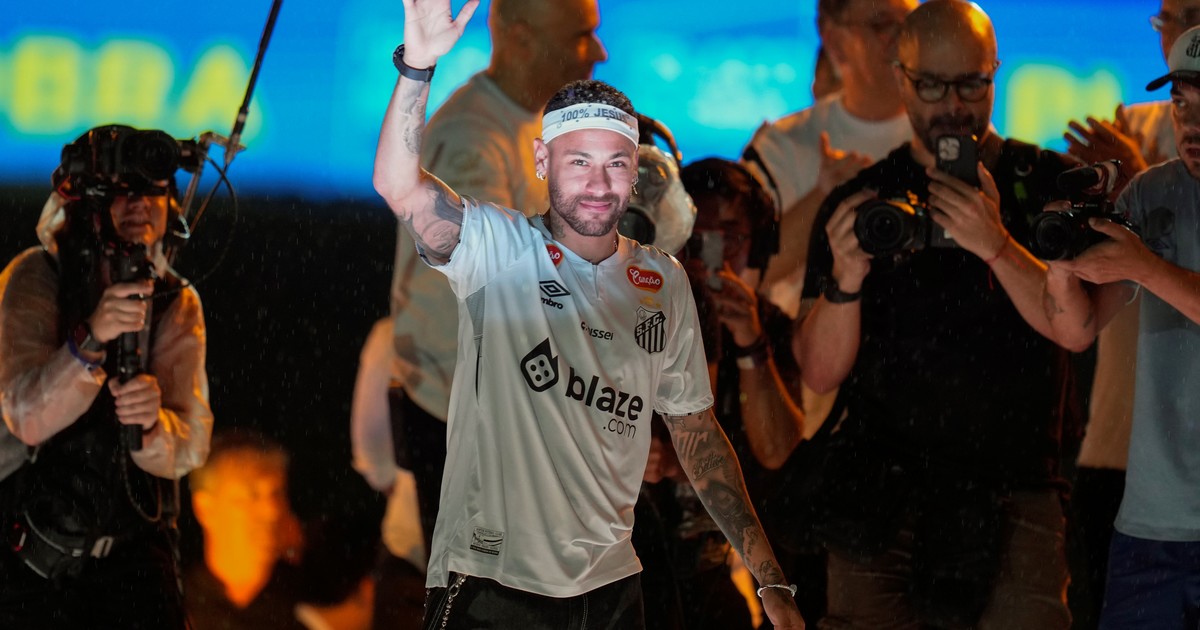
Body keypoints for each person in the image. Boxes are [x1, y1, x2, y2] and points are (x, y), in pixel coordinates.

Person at [372, 1, 805, 627]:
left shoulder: (664, 281)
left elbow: (698, 436)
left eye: (616, 163)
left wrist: (770, 580)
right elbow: (399, 188)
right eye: (579, 162)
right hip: (494, 580)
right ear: (542, 163)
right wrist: (417, 68)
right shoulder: (501, 246)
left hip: (608, 590)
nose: (599, 184)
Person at [794, 1, 1081, 627]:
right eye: (931, 85)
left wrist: (997, 244)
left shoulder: (1046, 186)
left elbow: (1076, 327)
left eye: (971, 84)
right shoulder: (863, 201)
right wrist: (847, 279)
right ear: (900, 78)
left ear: (995, 74)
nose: (953, 105)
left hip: (1015, 486)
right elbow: (817, 373)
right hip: (881, 494)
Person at [385, 0, 608, 570]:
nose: (599, 53)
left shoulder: (528, 122)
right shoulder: (473, 138)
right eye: (582, 35)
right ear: (521, 37)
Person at [0, 124, 212, 628]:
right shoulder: (36, 276)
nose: (138, 206)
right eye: (121, 192)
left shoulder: (176, 300)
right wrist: (89, 342)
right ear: (89, 203)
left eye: (151, 192)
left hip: (132, 562)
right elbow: (25, 417)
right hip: (31, 559)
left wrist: (155, 427)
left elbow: (192, 442)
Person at [1041, 24, 1200, 629]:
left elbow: (1142, 270)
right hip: (1149, 528)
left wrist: (1145, 266)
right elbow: (1075, 331)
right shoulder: (1151, 191)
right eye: (1181, 104)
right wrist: (1061, 265)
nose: (1191, 124)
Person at [743, 0, 918, 319]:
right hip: (803, 344)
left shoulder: (951, 135)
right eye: (883, 26)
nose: (902, 39)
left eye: (911, 24)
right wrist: (822, 198)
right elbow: (741, 275)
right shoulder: (781, 147)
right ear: (834, 40)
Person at [185, 431, 305, 630]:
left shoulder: (316, 607)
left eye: (277, 493)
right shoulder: (175, 610)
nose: (272, 510)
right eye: (251, 494)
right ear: (205, 509)